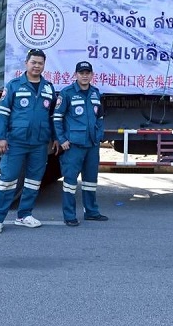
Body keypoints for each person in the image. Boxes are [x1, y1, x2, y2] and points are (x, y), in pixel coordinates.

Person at [0, 49, 56, 234]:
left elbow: (53, 117)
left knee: (34, 181)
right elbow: (3, 113)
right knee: (7, 180)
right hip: (16, 142)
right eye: (33, 62)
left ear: (44, 65)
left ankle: (24, 215)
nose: (37, 66)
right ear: (26, 63)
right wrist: (1, 137)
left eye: (40, 63)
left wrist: (55, 138)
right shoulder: (14, 86)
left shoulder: (48, 88)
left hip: (39, 143)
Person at [53, 60, 108, 227]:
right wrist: (62, 139)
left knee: (90, 181)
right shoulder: (67, 93)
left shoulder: (95, 93)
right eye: (81, 73)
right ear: (75, 75)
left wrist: (99, 135)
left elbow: (100, 117)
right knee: (70, 182)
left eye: (87, 73)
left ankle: (91, 212)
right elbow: (57, 118)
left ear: (92, 75)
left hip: (92, 145)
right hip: (74, 146)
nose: (84, 76)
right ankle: (69, 215)